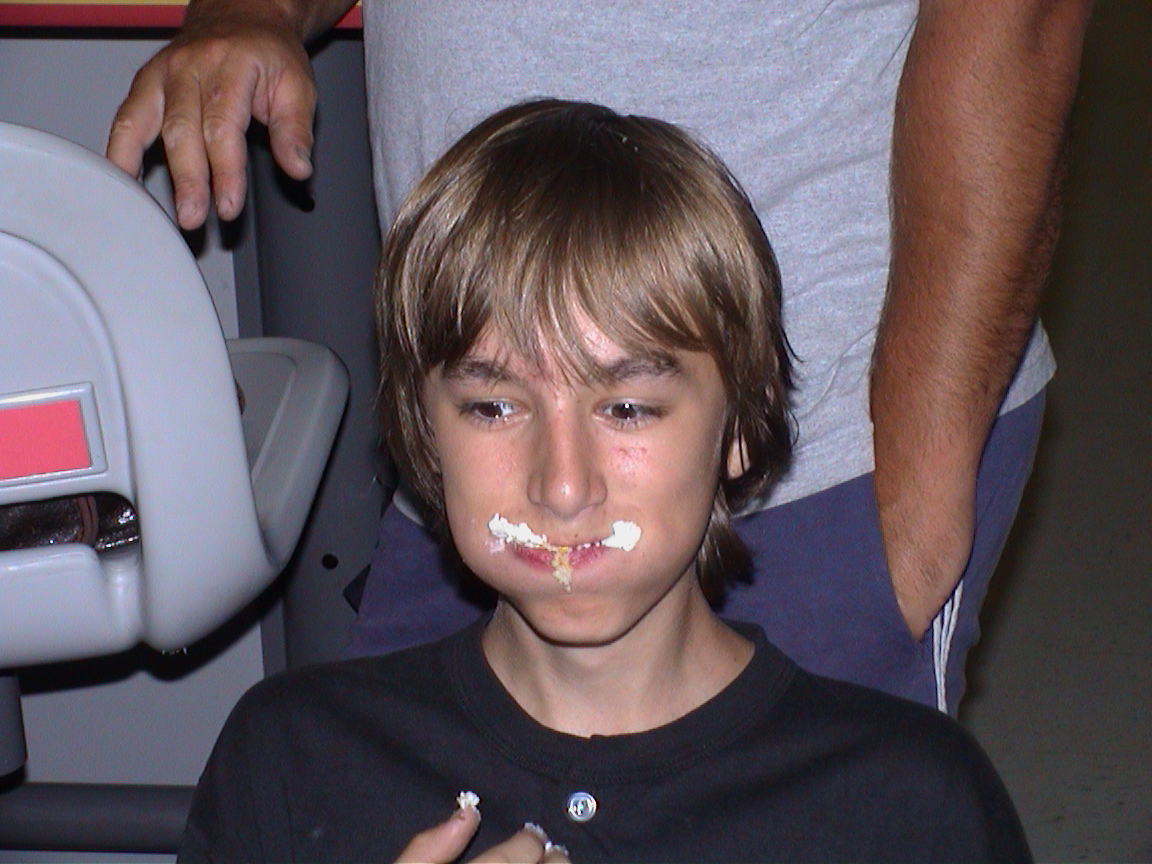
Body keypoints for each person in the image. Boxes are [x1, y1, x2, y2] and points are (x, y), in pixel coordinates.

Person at [107, 1, 1092, 713]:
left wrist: (914, 511)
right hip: (471, 453)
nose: (566, 489)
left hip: (821, 460)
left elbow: (1021, 25)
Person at [178, 100, 1031, 863]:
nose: (562, 486)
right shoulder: (292, 761)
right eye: (492, 408)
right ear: (425, 434)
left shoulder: (907, 803)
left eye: (627, 409)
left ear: (740, 424)